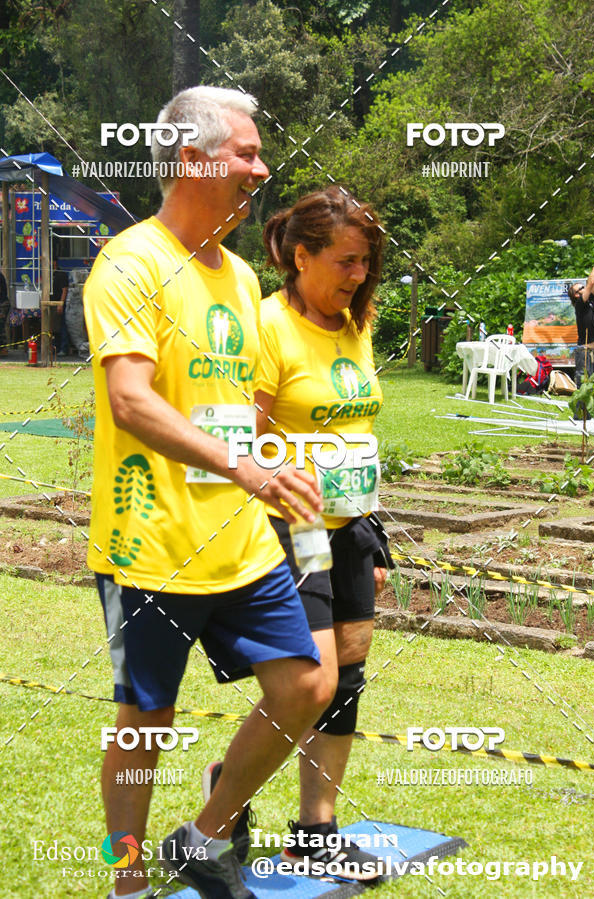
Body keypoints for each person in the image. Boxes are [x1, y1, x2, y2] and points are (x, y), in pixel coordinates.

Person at [83, 86, 335, 899]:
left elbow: (233, 407)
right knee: (144, 725)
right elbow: (132, 399)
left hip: (240, 537)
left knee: (305, 684)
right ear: (193, 159)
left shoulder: (235, 280)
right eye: (247, 153)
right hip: (149, 541)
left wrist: (288, 459)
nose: (261, 169)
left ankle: (201, 836)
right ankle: (127, 885)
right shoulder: (130, 261)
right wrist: (249, 469)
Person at [208, 187, 391, 880]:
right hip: (295, 527)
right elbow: (240, 442)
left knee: (347, 673)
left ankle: (316, 831)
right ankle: (224, 797)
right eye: (346, 262)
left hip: (351, 525)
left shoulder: (354, 323)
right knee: (310, 681)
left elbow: (359, 428)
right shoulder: (265, 326)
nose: (356, 275)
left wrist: (374, 532)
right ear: (300, 255)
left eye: (365, 262)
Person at [568, 250, 594, 385]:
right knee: (585, 391)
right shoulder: (580, 304)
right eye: (580, 288)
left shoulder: (590, 303)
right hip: (585, 354)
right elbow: (591, 282)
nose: (584, 288)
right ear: (576, 295)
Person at [51, 257, 70, 355]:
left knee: (62, 326)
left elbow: (65, 289)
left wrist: (61, 304)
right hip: (51, 303)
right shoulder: (50, 274)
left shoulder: (61, 274)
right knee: (54, 327)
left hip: (59, 303)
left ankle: (63, 348)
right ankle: (55, 348)